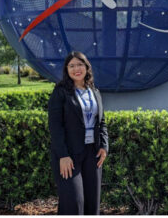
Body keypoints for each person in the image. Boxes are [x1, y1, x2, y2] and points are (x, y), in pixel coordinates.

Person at [48, 51, 108, 215]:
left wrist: (104, 145)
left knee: (91, 202)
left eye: (80, 64)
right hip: (69, 154)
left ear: (87, 67)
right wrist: (63, 155)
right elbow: (55, 125)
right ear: (67, 69)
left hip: (92, 153)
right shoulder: (60, 92)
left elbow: (101, 121)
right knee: (73, 202)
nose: (76, 69)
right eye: (72, 66)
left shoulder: (94, 91)